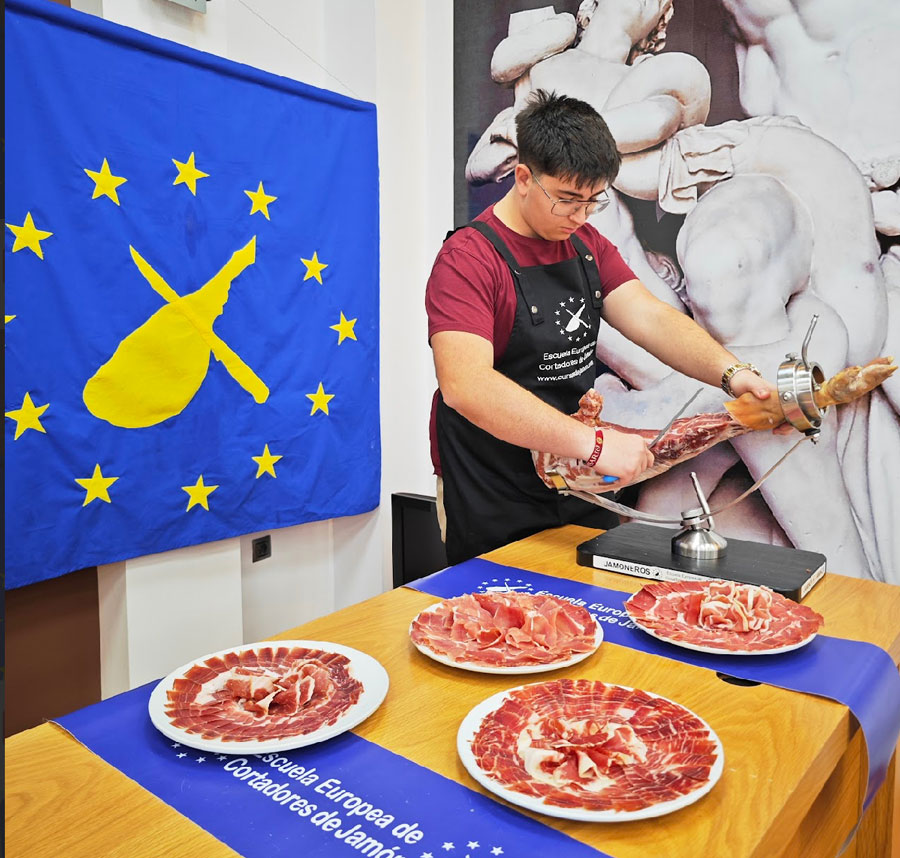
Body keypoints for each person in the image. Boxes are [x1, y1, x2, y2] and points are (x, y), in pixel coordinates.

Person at [426, 89, 777, 565]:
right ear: (524, 177)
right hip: (489, 483)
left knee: (583, 606)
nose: (581, 215)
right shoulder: (468, 259)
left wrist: (733, 373)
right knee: (499, 620)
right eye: (568, 199)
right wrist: (593, 445)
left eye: (594, 200)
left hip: (574, 476)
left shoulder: (586, 245)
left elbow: (651, 318)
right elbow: (466, 386)